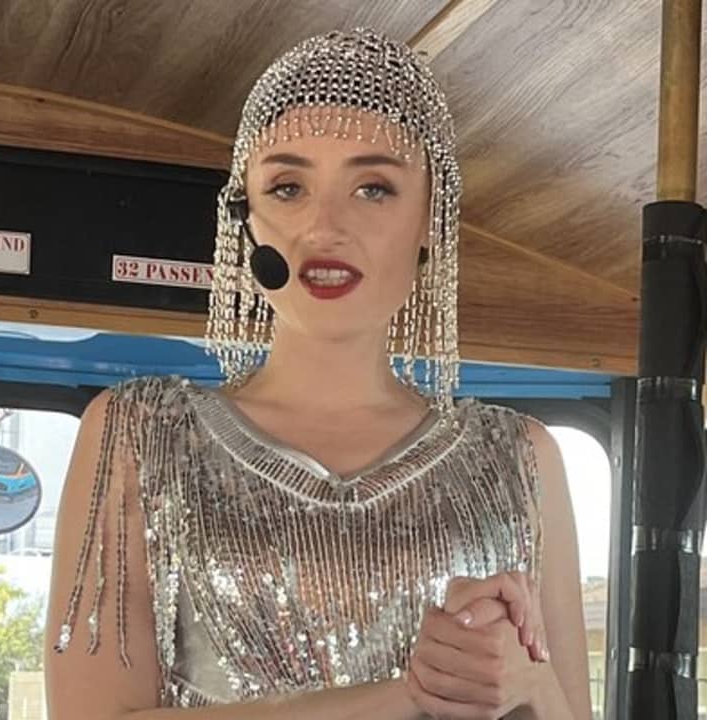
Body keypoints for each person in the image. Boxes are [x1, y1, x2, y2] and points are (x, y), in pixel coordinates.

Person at [44, 27, 591, 720]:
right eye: (288, 187)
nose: (324, 227)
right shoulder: (139, 432)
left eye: (373, 188)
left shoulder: (520, 457)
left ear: (431, 222)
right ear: (245, 218)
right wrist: (409, 694)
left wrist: (533, 686)